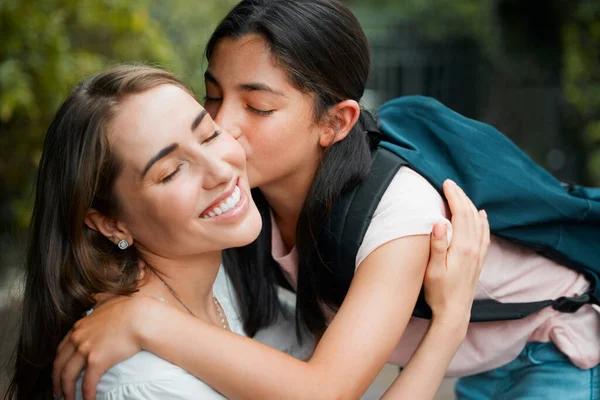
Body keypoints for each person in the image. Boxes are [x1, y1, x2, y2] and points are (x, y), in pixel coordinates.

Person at [55, 1, 599, 399]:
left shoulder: (399, 216)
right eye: (214, 97)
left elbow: (326, 391)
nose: (223, 129)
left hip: (554, 349)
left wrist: (147, 323)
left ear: (335, 122)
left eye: (258, 108)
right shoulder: (247, 198)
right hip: (476, 364)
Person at [5, 64, 486, 400]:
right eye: (172, 171)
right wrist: (447, 326)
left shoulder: (213, 279)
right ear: (110, 222)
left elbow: (316, 379)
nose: (221, 168)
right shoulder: (143, 386)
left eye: (209, 132)